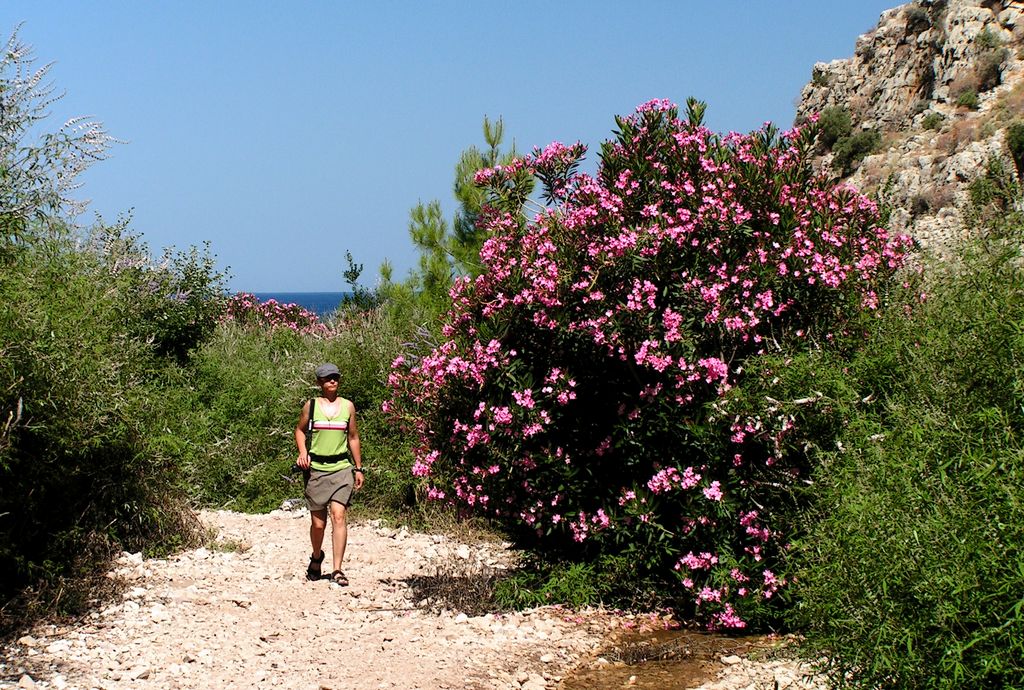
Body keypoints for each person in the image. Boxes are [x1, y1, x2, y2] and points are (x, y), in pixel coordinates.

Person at [295, 363, 365, 585]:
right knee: (318, 524)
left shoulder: (348, 407)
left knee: (339, 515)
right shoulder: (311, 406)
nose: (332, 381)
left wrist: (358, 467)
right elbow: (299, 430)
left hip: (342, 469)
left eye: (335, 377)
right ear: (319, 383)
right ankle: (316, 557)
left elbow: (353, 437)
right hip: (316, 471)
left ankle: (337, 570)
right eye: (327, 378)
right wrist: (303, 452)